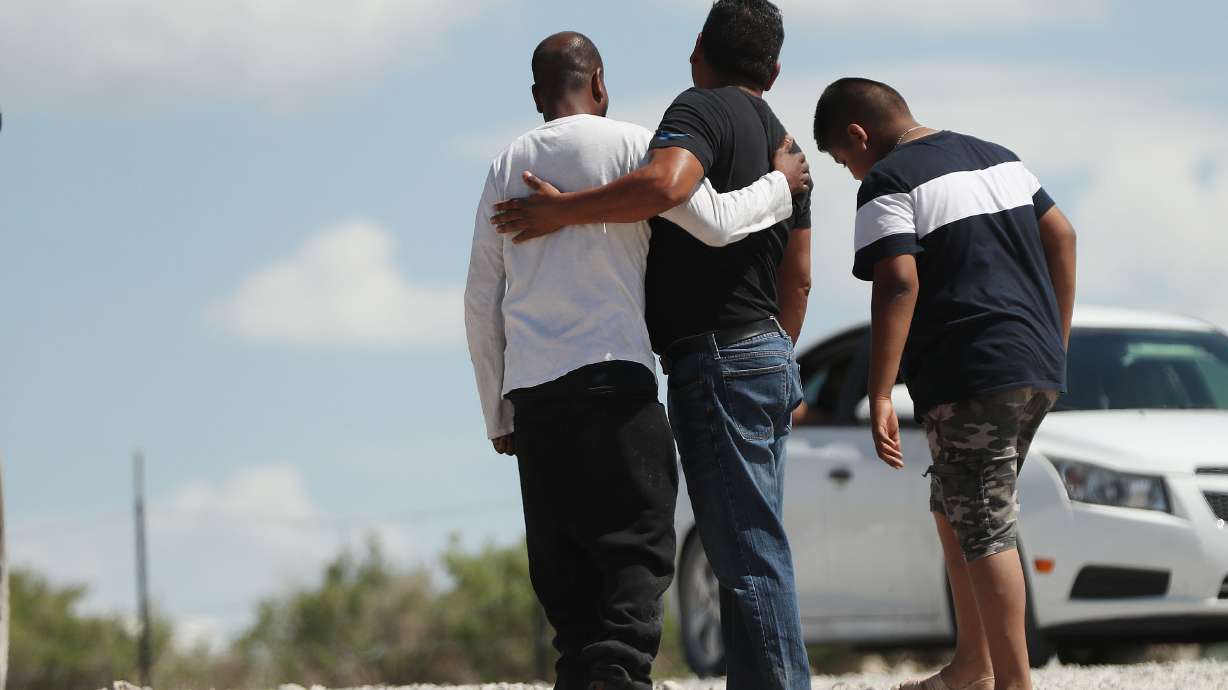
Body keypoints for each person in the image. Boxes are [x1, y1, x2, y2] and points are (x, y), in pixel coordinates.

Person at [464, 31, 810, 690]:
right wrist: (780, 184)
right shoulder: (633, 145)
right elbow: (715, 222)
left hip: (534, 396)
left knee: (566, 578)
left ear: (538, 96)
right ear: (599, 83)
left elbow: (482, 299)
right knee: (635, 553)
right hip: (613, 380)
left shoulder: (506, 165)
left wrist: (497, 412)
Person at [811, 78, 1077, 690]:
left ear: (858, 135)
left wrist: (880, 391)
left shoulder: (889, 179)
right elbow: (1062, 235)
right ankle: (973, 666)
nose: (852, 174)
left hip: (972, 371)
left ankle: (1012, 682)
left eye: (844, 161)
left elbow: (897, 281)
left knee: (982, 521)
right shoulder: (997, 157)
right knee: (955, 508)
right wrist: (1054, 342)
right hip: (1032, 365)